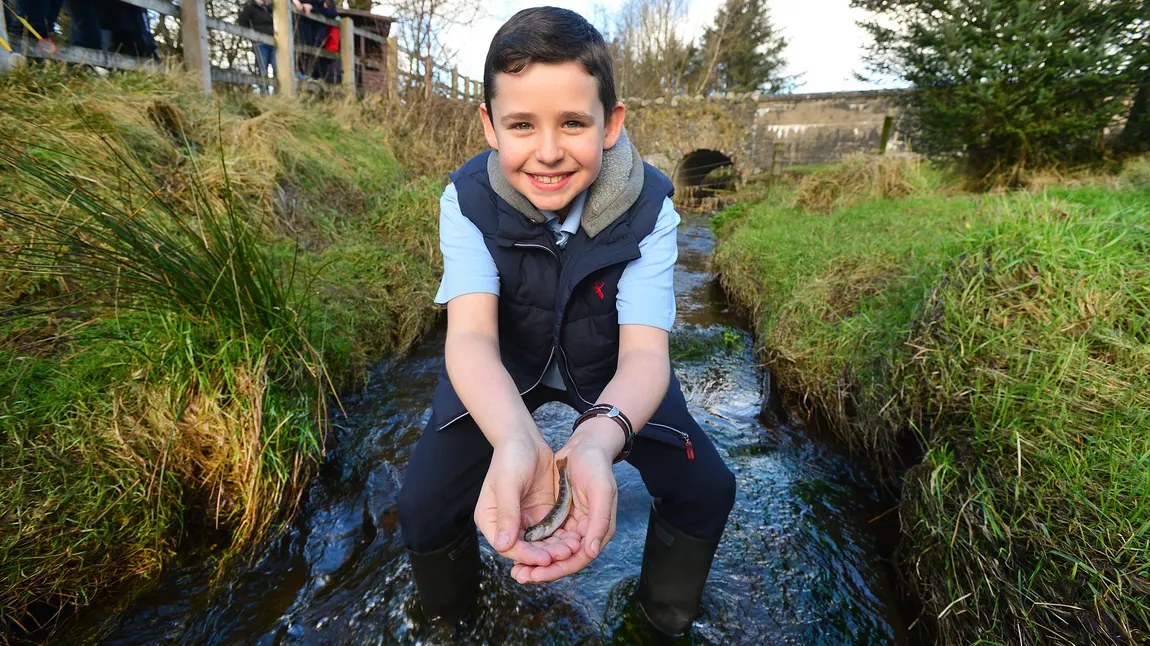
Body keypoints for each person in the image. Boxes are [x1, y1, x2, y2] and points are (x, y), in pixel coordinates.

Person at [395, 6, 736, 642]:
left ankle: (662, 621)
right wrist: (517, 440)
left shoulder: (651, 210)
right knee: (422, 506)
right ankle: (451, 625)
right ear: (489, 126)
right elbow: (469, 340)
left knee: (707, 489)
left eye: (574, 123)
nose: (548, 152)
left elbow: (644, 358)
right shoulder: (464, 199)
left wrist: (595, 442)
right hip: (504, 368)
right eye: (522, 125)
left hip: (611, 370)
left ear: (612, 124)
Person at [237, 0, 275, 92]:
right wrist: (252, 35)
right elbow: (242, 22)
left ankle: (279, 95)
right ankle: (263, 93)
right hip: (260, 42)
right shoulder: (250, 7)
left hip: (274, 42)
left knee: (278, 68)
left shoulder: (270, 8)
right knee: (263, 69)